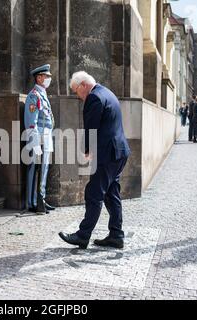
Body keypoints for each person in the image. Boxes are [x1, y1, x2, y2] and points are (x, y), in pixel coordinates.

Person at [58, 71, 131, 249]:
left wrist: (86, 150)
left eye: (77, 91)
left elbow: (91, 127)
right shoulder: (107, 92)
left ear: (83, 85)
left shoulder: (94, 97)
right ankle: (116, 235)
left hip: (107, 154)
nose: (79, 96)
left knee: (94, 192)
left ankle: (83, 235)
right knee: (111, 192)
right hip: (119, 152)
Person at [24, 64, 56, 214]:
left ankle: (41, 198)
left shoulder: (42, 94)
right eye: (46, 76)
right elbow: (31, 122)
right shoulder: (34, 95)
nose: (49, 78)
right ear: (39, 78)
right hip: (39, 137)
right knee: (36, 168)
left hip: (47, 135)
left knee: (44, 168)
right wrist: (35, 143)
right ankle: (33, 201)